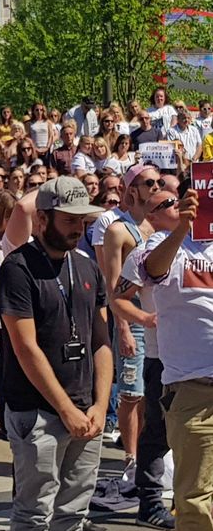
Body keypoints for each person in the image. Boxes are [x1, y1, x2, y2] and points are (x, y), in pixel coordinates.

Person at [0, 177, 112, 531]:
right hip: (38, 412)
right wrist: (66, 409)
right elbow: (25, 347)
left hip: (86, 410)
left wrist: (99, 405)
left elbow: (101, 341)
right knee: (34, 514)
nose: (79, 228)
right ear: (42, 219)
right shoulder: (18, 267)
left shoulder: (86, 267)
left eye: (83, 220)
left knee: (73, 512)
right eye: (69, 220)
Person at [140, 188, 213, 531]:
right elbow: (152, 270)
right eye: (167, 204)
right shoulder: (161, 244)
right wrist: (184, 227)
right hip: (195, 390)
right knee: (196, 501)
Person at [111, 190, 179, 531]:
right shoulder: (144, 253)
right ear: (151, 213)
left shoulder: (200, 248)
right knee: (159, 432)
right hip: (161, 357)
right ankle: (150, 502)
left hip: (201, 359)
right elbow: (118, 299)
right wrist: (145, 319)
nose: (177, 205)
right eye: (168, 203)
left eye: (177, 199)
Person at [103, 164, 161, 473]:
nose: (154, 186)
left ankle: (152, 456)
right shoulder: (118, 230)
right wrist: (123, 328)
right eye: (148, 182)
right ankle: (131, 457)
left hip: (160, 318)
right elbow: (113, 285)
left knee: (154, 391)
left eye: (158, 182)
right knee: (131, 392)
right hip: (133, 319)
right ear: (132, 189)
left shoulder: (161, 227)